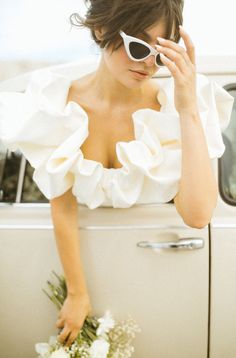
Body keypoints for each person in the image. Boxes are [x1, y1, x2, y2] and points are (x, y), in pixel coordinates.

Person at [0, 0, 234, 349]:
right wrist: (77, 293)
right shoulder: (59, 106)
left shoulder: (171, 110)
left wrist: (187, 107)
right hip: (87, 277)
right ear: (100, 29)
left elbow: (198, 214)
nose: (147, 64)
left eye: (159, 54)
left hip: (164, 280)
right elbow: (61, 202)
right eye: (138, 46)